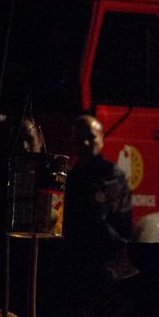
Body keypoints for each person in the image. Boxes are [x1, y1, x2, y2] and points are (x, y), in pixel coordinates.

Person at [62, 115, 134, 289]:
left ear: (101, 139)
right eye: (80, 138)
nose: (85, 143)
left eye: (91, 137)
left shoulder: (111, 175)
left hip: (108, 262)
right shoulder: (72, 177)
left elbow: (94, 214)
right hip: (79, 262)